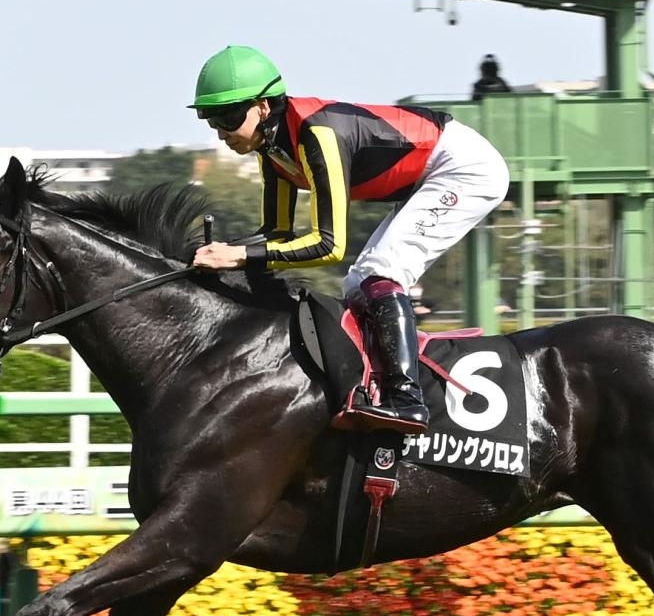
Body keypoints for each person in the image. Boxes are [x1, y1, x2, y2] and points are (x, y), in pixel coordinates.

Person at [185, 45, 510, 434]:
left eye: (229, 116)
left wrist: (237, 256)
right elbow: (276, 236)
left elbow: (329, 245)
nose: (221, 132)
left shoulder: (316, 136)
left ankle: (406, 400)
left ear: (263, 108)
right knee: (357, 284)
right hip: (429, 175)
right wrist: (218, 255)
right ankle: (377, 385)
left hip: (465, 168)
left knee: (381, 272)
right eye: (211, 120)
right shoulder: (271, 150)